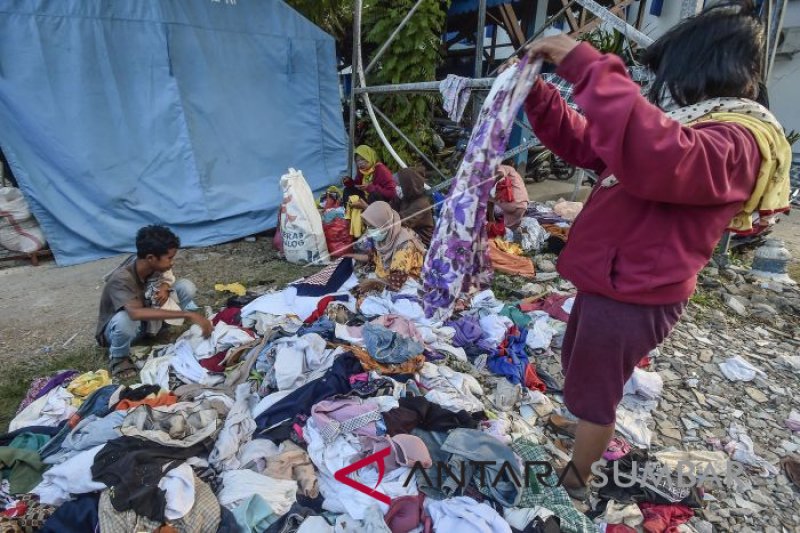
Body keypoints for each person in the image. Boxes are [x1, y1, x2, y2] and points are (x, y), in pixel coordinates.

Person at [522, 1, 790, 497]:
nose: (670, 88)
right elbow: (593, 145)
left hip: (634, 294)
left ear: (704, 68)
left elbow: (655, 153)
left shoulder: (737, 142)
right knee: (582, 369)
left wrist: (585, 63)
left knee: (598, 390)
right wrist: (538, 95)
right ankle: (581, 429)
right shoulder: (700, 125)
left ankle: (577, 479)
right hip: (615, 281)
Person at [95, 225, 213, 378]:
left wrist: (165, 286)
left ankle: (158, 331)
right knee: (126, 319)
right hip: (124, 330)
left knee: (185, 287)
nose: (172, 262)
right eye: (169, 258)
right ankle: (119, 358)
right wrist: (189, 315)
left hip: (147, 320)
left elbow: (167, 279)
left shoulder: (151, 266)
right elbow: (136, 313)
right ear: (151, 258)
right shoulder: (121, 279)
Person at [348, 201, 426, 291]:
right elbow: (374, 258)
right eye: (368, 226)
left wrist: (374, 282)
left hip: (405, 282)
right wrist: (352, 256)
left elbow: (398, 278)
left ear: (385, 224)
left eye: (373, 227)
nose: (370, 230)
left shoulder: (404, 245)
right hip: (384, 275)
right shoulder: (384, 238)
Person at [392, 167, 434, 247]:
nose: (396, 188)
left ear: (407, 186)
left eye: (398, 185)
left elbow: (401, 221)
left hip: (422, 242)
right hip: (409, 235)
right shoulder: (406, 197)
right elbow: (391, 209)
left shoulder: (421, 204)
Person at [489, 161, 529, 231]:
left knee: (487, 197)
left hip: (512, 205)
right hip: (523, 206)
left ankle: (491, 221)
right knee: (510, 231)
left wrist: (488, 185)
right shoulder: (515, 174)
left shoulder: (504, 167)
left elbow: (500, 174)